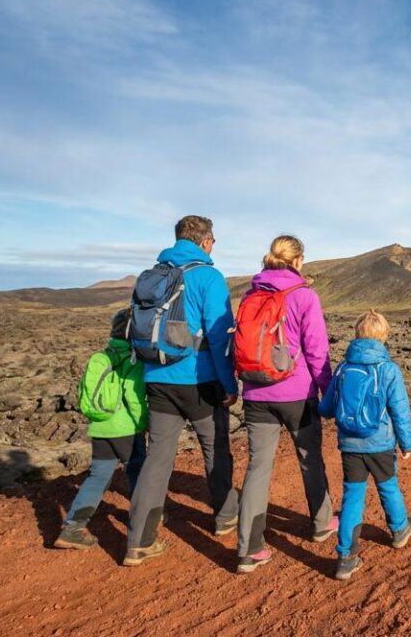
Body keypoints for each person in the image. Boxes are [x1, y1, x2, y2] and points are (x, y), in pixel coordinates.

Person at [124, 215, 240, 567]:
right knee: (215, 448)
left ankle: (138, 541)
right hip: (199, 381)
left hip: (157, 377)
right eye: (214, 240)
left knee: (158, 456)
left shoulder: (153, 276)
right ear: (205, 242)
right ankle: (225, 517)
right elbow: (219, 338)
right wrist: (228, 383)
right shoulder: (208, 277)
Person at [232, 235, 336, 574]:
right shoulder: (304, 296)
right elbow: (317, 351)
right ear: (298, 260)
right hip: (297, 394)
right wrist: (328, 392)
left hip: (256, 393)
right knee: (309, 459)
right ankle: (322, 523)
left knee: (257, 468)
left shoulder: (251, 294)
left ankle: (249, 549)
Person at [319, 310, 411, 581]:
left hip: (350, 446)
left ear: (357, 334)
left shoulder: (342, 368)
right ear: (383, 336)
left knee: (352, 497)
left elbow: (326, 407)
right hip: (381, 444)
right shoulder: (389, 370)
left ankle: (346, 557)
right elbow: (400, 410)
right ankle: (399, 530)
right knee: (388, 486)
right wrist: (406, 444)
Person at [54, 309, 148, 550]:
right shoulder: (131, 359)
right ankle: (143, 521)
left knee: (98, 477)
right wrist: (144, 425)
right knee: (138, 473)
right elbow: (134, 398)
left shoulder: (100, 358)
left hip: (101, 428)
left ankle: (73, 527)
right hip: (126, 429)